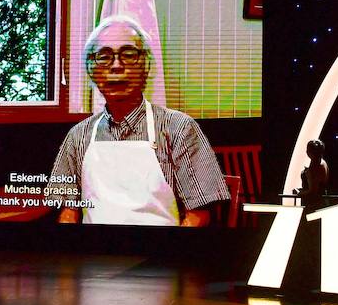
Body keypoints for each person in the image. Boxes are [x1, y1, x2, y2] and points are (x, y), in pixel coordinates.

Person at [48, 15, 228, 226]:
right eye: (104, 56)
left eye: (129, 54)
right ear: (91, 70)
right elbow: (68, 213)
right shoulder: (78, 135)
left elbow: (199, 215)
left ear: (146, 65)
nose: (116, 66)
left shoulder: (179, 128)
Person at [294, 139, 329, 209]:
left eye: (308, 150)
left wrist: (299, 193)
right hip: (321, 201)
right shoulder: (323, 163)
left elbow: (313, 191)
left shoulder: (315, 166)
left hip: (313, 204)